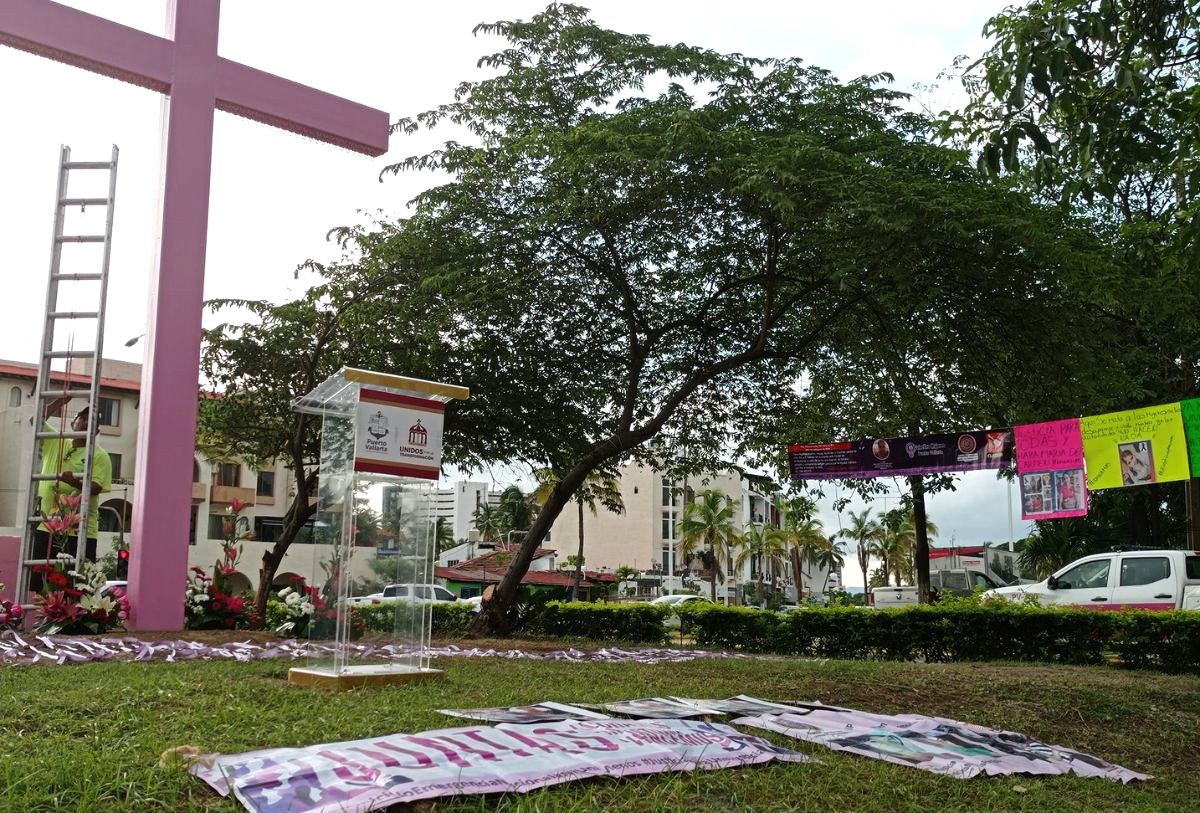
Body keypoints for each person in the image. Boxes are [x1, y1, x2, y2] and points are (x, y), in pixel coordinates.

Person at [30, 397, 112, 588]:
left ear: (96, 431)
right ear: (72, 423)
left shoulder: (100, 455)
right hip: (48, 527)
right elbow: (35, 421)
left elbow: (97, 488)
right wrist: (57, 403)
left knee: (76, 588)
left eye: (90, 421)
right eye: (80, 418)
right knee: (42, 585)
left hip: (80, 531)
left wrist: (73, 481)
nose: (84, 422)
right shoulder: (56, 442)